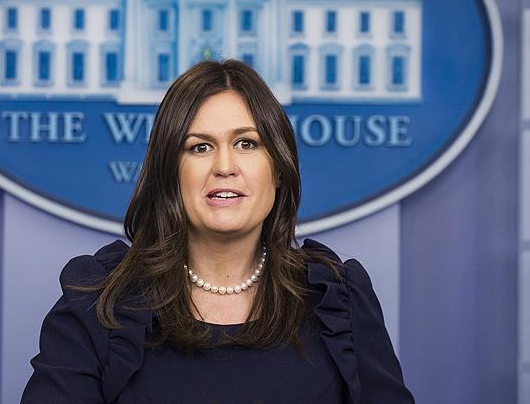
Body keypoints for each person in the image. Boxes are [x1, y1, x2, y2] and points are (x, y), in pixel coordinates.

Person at [21, 60, 414, 403]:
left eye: (247, 143)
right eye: (200, 147)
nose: (225, 166)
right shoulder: (97, 302)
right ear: (170, 173)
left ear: (278, 169)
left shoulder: (338, 299)